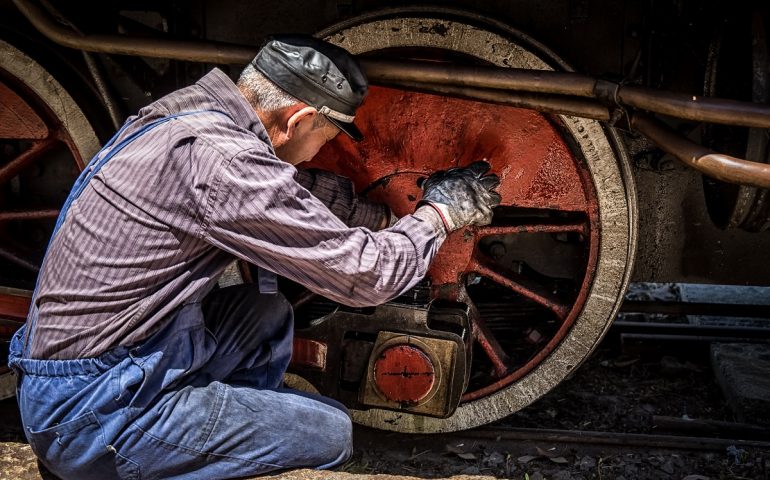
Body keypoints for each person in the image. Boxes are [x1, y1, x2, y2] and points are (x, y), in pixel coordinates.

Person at [8, 35, 500, 479]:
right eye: (324, 139)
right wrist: (438, 215)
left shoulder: (195, 116)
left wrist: (386, 218)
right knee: (328, 431)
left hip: (104, 365)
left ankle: (211, 436)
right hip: (94, 410)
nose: (314, 154)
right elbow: (364, 276)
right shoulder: (223, 164)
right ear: (299, 119)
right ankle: (179, 446)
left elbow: (288, 190)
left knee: (262, 312)